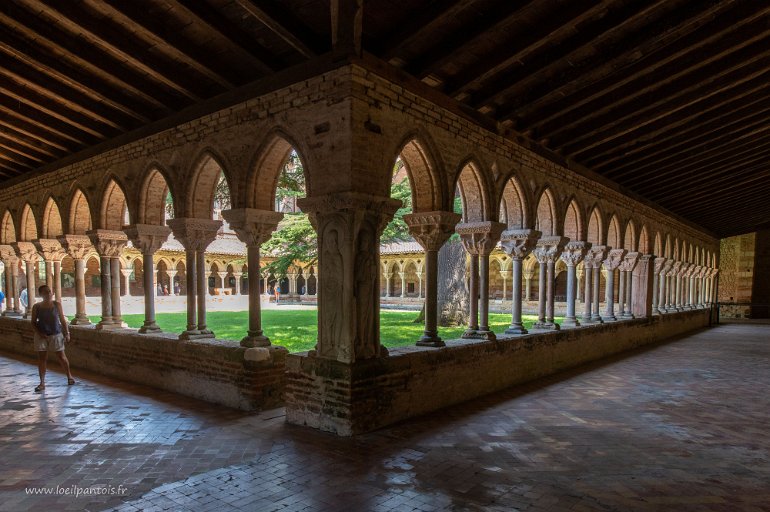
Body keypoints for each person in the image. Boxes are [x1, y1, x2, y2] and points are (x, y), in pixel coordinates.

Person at [30, 284, 74, 392]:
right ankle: (42, 383)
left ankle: (69, 376)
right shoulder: (37, 306)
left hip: (56, 333)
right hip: (41, 335)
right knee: (42, 359)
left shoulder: (56, 304)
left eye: (49, 291)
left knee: (61, 356)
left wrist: (67, 333)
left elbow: (63, 320)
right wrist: (40, 333)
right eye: (45, 292)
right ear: (41, 294)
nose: (48, 294)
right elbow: (33, 322)